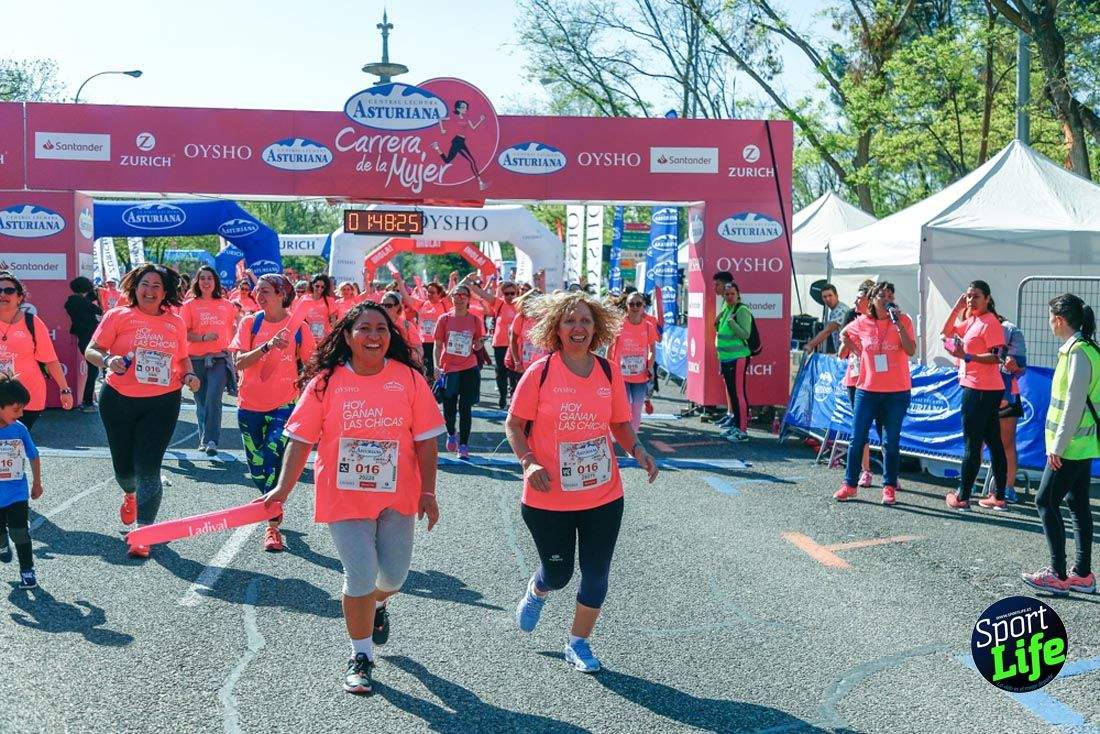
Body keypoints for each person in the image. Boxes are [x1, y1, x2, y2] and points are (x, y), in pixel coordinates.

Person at [261, 302, 443, 695]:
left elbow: (427, 441)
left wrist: (428, 491)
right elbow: (300, 439)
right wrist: (282, 490)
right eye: (364, 328)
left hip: (398, 494)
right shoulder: (326, 382)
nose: (373, 336)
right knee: (359, 575)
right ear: (347, 335)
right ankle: (361, 655)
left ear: (390, 336)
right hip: (344, 495)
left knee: (393, 576)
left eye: (381, 328)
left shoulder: (409, 380)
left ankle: (376, 606)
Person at [505, 291, 658, 673]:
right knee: (559, 573)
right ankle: (538, 589)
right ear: (556, 327)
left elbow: (620, 424)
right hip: (547, 495)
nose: (578, 328)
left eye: (586, 321)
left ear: (598, 328)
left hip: (603, 492)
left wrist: (637, 450)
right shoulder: (539, 373)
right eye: (570, 320)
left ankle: (579, 642)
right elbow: (514, 425)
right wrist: (528, 463)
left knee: (596, 572)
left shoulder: (609, 371)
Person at [84, 264, 200, 558]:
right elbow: (92, 350)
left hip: (162, 401)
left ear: (165, 292)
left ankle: (143, 532)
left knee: (149, 466)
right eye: (145, 285)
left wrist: (189, 375)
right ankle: (129, 494)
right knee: (124, 469)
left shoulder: (175, 322)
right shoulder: (118, 316)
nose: (150, 291)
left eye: (156, 286)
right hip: (119, 399)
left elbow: (183, 358)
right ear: (135, 287)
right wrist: (109, 361)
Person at [230, 274, 315, 553]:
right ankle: (271, 507)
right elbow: (239, 362)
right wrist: (267, 347)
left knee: (273, 458)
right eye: (257, 290)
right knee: (257, 468)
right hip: (249, 405)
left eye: (265, 290)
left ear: (282, 294)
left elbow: (314, 364)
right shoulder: (249, 323)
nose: (259, 295)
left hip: (284, 406)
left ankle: (272, 525)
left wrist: (310, 389)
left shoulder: (299, 327)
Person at [1021, 294, 1098, 595]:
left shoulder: (1078, 353)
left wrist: (1058, 446)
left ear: (1060, 320)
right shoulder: (1087, 349)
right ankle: (1083, 575)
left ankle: (1058, 574)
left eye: (1050, 317)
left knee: (1045, 501)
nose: (1049, 322)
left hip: (1071, 446)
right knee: (1077, 505)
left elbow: (1073, 405)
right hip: (1083, 446)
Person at [834, 282, 916, 505]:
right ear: (872, 299)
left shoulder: (904, 320)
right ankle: (849, 484)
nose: (888, 297)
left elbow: (910, 350)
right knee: (857, 437)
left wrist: (897, 323)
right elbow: (843, 334)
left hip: (897, 392)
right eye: (883, 294)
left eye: (891, 294)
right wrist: (856, 350)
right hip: (867, 390)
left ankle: (889, 486)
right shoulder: (862, 322)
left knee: (891, 441)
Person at [942, 280, 1009, 511]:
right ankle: (999, 497)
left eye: (976, 296)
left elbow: (996, 357)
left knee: (973, 443)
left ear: (988, 298)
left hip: (981, 388)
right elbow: (947, 331)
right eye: (969, 296)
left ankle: (963, 496)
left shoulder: (990, 323)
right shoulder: (972, 320)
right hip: (982, 388)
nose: (971, 300)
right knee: (993, 441)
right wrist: (957, 307)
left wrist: (968, 356)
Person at [0, 272, 74, 428]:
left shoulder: (32, 322)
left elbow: (51, 360)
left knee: (17, 445)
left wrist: (64, 390)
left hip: (27, 396)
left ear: (20, 297)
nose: (3, 294)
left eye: (9, 291)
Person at [181, 266, 238, 455]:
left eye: (210, 278)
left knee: (214, 397)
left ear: (215, 282)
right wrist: (203, 338)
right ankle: (203, 437)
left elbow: (233, 330)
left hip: (219, 359)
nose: (206, 282)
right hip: (195, 359)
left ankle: (211, 440)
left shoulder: (227, 305)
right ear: (197, 282)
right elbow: (183, 334)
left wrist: (233, 352)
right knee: (201, 401)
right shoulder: (189, 306)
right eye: (202, 278)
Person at [0, 375, 43, 589]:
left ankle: (27, 570)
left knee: (20, 531)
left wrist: (37, 482)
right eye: (16, 409)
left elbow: (33, 455)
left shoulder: (19, 429)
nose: (21, 414)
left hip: (17, 491)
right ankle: (1, 545)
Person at [434, 284, 485, 459]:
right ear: (452, 297)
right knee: (449, 407)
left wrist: (480, 343)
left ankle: (463, 445)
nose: (460, 298)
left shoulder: (475, 320)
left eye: (464, 295)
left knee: (465, 408)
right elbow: (438, 344)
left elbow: (477, 343)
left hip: (469, 367)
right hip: (449, 368)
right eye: (457, 295)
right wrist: (437, 366)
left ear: (468, 299)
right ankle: (450, 433)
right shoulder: (444, 319)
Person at [837, 280, 876, 487]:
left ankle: (891, 476)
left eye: (858, 298)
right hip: (854, 378)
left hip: (876, 381)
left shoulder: (879, 323)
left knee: (884, 428)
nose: (854, 302)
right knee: (860, 427)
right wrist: (850, 345)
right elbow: (841, 353)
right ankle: (866, 471)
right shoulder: (854, 321)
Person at [468, 276, 521, 409]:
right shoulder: (499, 303)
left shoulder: (520, 305)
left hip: (515, 344)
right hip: (500, 344)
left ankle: (514, 396)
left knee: (515, 372)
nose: (509, 296)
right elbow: (481, 293)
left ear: (517, 293)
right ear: (502, 294)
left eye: (512, 293)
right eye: (506, 293)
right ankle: (503, 395)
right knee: (501, 371)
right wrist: (472, 281)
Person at [609, 291, 659, 431]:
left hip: (640, 375)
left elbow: (652, 349)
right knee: (624, 406)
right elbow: (610, 348)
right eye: (632, 304)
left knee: (636, 407)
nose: (635, 307)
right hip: (621, 374)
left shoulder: (648, 326)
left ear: (643, 306)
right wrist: (609, 369)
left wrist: (650, 366)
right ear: (627, 306)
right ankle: (624, 434)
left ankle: (633, 437)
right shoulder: (619, 325)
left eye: (638, 304)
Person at [714, 281, 753, 442]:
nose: (729, 297)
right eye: (727, 294)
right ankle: (736, 426)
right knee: (732, 394)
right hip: (726, 358)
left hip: (738, 358)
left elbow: (745, 334)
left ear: (738, 295)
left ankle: (742, 430)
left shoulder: (742, 310)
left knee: (738, 393)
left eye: (732, 294)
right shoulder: (726, 308)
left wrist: (732, 322)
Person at [995, 316, 1027, 504]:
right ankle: (969, 483)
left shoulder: (1008, 329)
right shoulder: (971, 326)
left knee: (1007, 443)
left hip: (1007, 397)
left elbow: (1021, 366)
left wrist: (1015, 366)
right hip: (982, 395)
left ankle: (1008, 487)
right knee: (976, 442)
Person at [64, 276, 104, 413]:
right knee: (93, 370)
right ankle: (87, 402)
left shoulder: (72, 301)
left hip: (83, 338)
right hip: (88, 338)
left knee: (93, 370)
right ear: (85, 287)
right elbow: (99, 310)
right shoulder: (81, 301)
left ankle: (88, 400)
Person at [431, 99, 489, 191]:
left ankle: (436, 147)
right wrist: (442, 129)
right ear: (458, 109)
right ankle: (480, 183)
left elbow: (473, 128)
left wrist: (481, 120)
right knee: (472, 161)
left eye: (466, 107)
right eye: (463, 107)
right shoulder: (454, 117)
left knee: (447, 160)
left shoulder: (467, 118)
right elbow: (440, 119)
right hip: (457, 141)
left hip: (462, 141)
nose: (465, 108)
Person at [508, 289, 546, 375]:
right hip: (526, 365)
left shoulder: (547, 318)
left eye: (540, 301)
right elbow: (513, 340)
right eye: (533, 301)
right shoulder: (521, 317)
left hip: (545, 364)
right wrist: (517, 362)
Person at [380, 292, 423, 366]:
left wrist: (407, 357)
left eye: (388, 306)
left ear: (398, 307)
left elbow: (418, 349)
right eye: (382, 305)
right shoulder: (377, 324)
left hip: (403, 365)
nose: (384, 308)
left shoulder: (407, 325)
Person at [804, 284, 849, 354]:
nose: (827, 299)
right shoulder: (834, 310)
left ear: (836, 296)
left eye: (830, 295)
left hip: (848, 353)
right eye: (824, 297)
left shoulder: (840, 310)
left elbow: (827, 331)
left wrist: (810, 345)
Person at [294, 273, 339, 341]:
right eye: (317, 286)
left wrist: (335, 336)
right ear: (312, 285)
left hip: (324, 338)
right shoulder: (304, 299)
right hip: (307, 337)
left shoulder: (329, 301)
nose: (319, 288)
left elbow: (333, 321)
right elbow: (297, 318)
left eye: (322, 287)